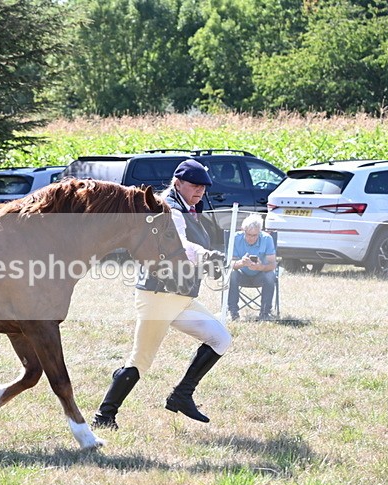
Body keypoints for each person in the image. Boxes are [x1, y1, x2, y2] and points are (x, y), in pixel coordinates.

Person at [92, 160, 232, 430]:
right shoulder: (170, 210)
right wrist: (206, 256)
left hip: (181, 298)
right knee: (140, 360)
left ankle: (182, 395)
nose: (200, 191)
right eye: (195, 185)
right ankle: (104, 416)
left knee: (220, 338)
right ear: (177, 183)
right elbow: (181, 245)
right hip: (159, 297)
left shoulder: (189, 208)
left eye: (203, 187)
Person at [227, 213, 277, 321]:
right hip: (241, 275)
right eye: (248, 234)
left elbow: (273, 264)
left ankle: (265, 313)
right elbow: (230, 264)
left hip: (260, 275)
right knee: (231, 274)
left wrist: (261, 267)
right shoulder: (235, 238)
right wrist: (242, 263)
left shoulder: (267, 239)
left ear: (260, 232)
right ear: (243, 230)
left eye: (255, 235)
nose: (251, 238)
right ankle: (232, 312)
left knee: (270, 275)